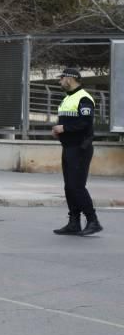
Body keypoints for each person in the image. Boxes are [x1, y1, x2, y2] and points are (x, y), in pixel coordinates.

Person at [52, 68, 103, 236]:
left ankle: (93, 221)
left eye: (62, 78)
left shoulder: (84, 98)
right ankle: (74, 222)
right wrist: (60, 131)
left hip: (80, 148)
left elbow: (85, 124)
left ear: (70, 79)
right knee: (69, 187)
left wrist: (64, 128)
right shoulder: (68, 98)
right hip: (68, 148)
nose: (60, 81)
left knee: (77, 186)